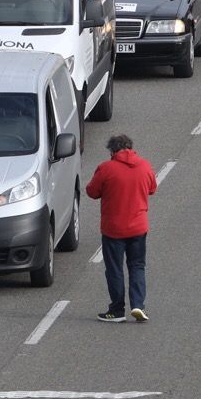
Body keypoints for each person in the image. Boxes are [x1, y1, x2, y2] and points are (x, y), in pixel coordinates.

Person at [86, 134, 159, 322]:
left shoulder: (106, 168)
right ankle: (138, 305)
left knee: (114, 269)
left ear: (112, 151)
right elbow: (152, 188)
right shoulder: (144, 166)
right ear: (131, 147)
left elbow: (92, 192)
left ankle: (117, 310)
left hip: (113, 229)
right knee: (137, 266)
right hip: (138, 227)